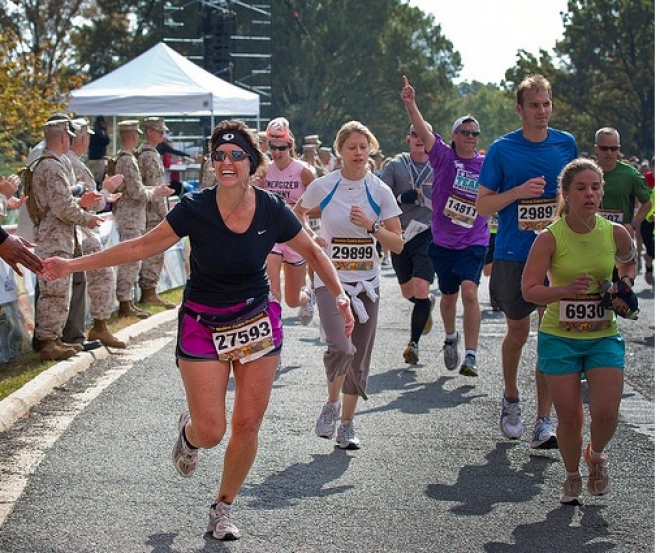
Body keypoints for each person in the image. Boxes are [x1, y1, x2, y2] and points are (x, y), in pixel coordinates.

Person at [42, 119, 354, 541]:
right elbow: (138, 246)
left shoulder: (271, 210)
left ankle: (222, 508)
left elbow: (313, 251)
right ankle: (189, 433)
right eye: (220, 156)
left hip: (256, 320)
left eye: (236, 156)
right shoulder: (196, 208)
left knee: (247, 425)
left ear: (252, 161)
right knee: (212, 431)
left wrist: (339, 296)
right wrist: (70, 264)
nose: (227, 163)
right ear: (213, 162)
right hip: (203, 323)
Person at [521, 158, 638, 506]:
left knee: (606, 413)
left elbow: (629, 260)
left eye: (595, 187)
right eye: (581, 188)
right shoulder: (549, 238)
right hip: (560, 336)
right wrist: (565, 290)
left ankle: (595, 454)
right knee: (569, 416)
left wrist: (625, 283)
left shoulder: (615, 233)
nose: (590, 194)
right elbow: (529, 290)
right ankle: (572, 474)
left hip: (603, 334)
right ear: (566, 195)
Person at [476, 74, 578, 448]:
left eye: (546, 104)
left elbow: (576, 195)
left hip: (556, 254)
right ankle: (511, 397)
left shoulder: (566, 144)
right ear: (520, 109)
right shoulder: (503, 150)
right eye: (534, 105)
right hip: (514, 254)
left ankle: (543, 421)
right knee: (518, 333)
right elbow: (482, 204)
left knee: (550, 336)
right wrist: (517, 192)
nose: (541, 111)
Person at [294, 120, 403, 450]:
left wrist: (371, 227)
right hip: (331, 280)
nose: (358, 153)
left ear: (371, 149)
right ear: (339, 152)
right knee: (341, 347)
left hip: (367, 283)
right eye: (351, 147)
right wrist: (313, 237)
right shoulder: (324, 186)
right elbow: (295, 215)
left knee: (359, 356)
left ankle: (347, 425)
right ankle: (332, 403)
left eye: (363, 147)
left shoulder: (379, 191)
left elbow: (397, 244)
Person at [399, 76, 490, 376]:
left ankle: (472, 356)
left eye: (475, 133)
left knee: (470, 292)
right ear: (453, 135)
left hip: (474, 239)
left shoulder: (486, 164)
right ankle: (451, 338)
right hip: (443, 241)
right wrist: (411, 104)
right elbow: (423, 131)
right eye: (464, 132)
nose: (470, 137)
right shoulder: (443, 157)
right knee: (448, 297)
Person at [31, 118, 104, 361]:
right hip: (54, 238)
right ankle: (48, 341)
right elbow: (62, 206)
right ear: (63, 137)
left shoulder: (53, 164)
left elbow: (61, 203)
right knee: (54, 291)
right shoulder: (51, 166)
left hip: (59, 236)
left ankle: (54, 338)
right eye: (69, 136)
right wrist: (87, 219)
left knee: (59, 290)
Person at [380, 110, 435, 367]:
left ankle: (413, 344)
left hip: (428, 232)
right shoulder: (395, 165)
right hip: (400, 234)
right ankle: (425, 305)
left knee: (421, 287)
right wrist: (403, 198)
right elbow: (381, 196)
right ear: (408, 138)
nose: (419, 138)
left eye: (423, 134)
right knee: (409, 293)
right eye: (414, 134)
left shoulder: (439, 165)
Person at [66, 117, 126, 348]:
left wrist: (105, 195)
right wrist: (105, 191)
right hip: (80, 230)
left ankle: (90, 329)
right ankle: (98, 327)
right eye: (85, 137)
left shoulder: (71, 161)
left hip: (78, 229)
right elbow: (87, 202)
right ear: (80, 139)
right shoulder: (70, 163)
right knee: (101, 276)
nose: (87, 141)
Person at [113, 120, 173, 319]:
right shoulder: (143, 156)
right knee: (137, 258)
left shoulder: (140, 155)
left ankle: (139, 296)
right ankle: (136, 297)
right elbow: (140, 189)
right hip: (145, 212)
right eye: (159, 131)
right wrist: (159, 200)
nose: (162, 134)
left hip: (142, 212)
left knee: (139, 258)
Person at [261, 117, 317, 324]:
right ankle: (274, 332)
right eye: (273, 147)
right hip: (272, 235)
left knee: (293, 300)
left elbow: (321, 204)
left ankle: (307, 296)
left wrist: (297, 209)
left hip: (295, 233)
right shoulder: (264, 170)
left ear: (290, 146)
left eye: (282, 148)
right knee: (273, 290)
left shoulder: (304, 171)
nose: (276, 152)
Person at [593, 128, 652, 276]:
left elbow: (648, 202)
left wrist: (633, 223)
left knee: (621, 291)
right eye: (604, 148)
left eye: (613, 148)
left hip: (619, 239)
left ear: (619, 149)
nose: (609, 153)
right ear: (596, 149)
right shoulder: (585, 172)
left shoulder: (630, 175)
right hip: (590, 238)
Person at [136, 117, 176, 309]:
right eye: (159, 131)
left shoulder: (150, 153)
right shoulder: (149, 156)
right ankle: (148, 291)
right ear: (149, 132)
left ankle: (149, 290)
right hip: (153, 211)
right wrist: (164, 213)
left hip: (151, 208)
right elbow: (153, 187)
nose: (162, 135)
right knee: (154, 251)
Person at [87, 116, 110, 184]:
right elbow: (106, 141)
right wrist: (106, 131)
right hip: (98, 160)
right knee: (98, 180)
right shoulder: (97, 132)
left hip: (92, 158)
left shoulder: (94, 131)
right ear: (101, 122)